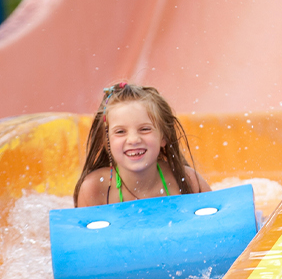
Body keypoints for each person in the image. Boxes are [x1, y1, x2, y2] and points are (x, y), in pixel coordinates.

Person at [74, 82, 212, 206]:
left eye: (145, 129)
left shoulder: (187, 181)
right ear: (106, 141)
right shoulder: (95, 190)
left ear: (164, 137)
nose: (133, 139)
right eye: (121, 131)